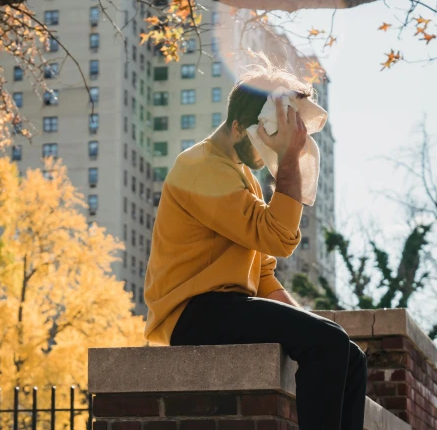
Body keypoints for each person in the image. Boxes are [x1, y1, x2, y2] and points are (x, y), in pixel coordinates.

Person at [143, 63, 367, 430]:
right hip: (192, 312)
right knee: (327, 343)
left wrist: (309, 323)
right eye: (264, 141)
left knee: (348, 354)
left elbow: (263, 272)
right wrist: (291, 159)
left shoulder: (241, 175)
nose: (269, 155)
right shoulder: (201, 167)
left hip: (228, 306)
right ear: (236, 127)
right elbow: (277, 237)